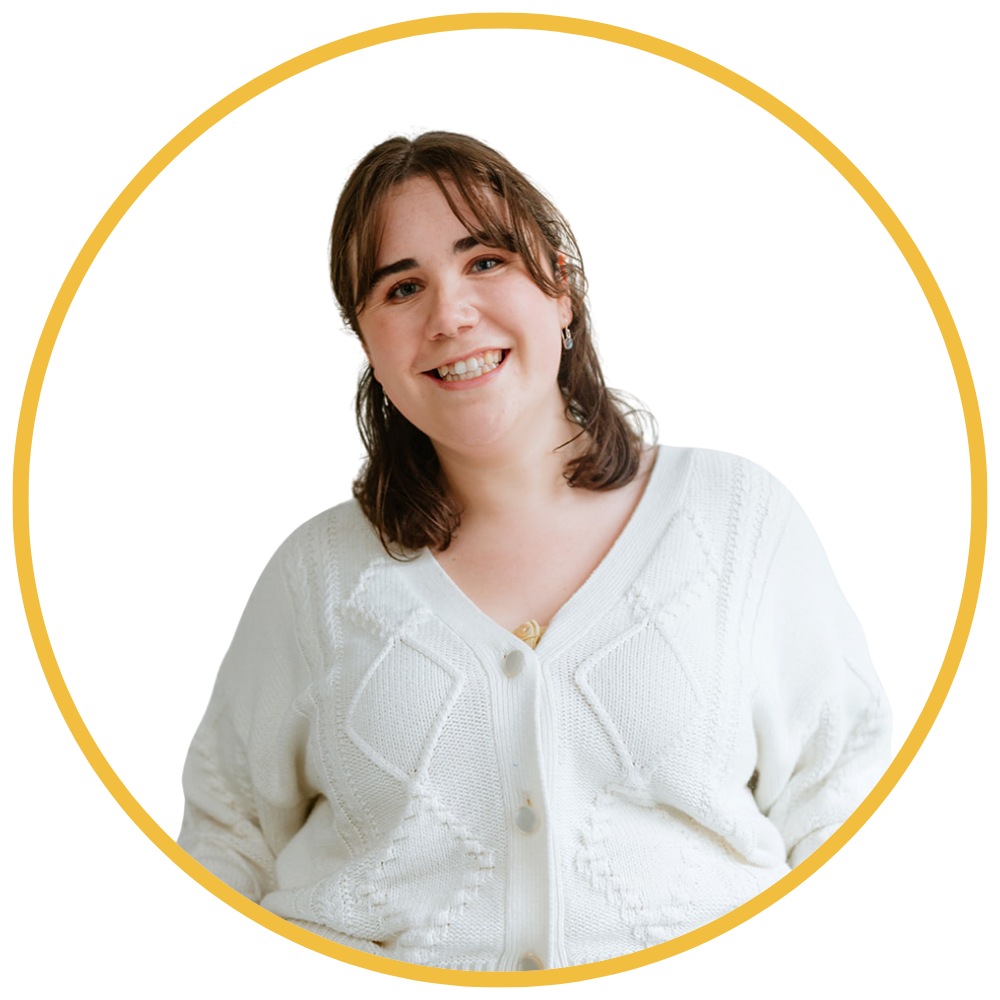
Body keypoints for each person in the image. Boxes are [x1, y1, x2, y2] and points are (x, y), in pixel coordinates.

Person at [178, 131, 891, 972]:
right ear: (368, 343)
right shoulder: (314, 577)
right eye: (402, 288)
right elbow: (223, 843)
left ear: (562, 285)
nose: (450, 315)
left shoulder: (735, 522)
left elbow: (847, 814)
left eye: (484, 262)